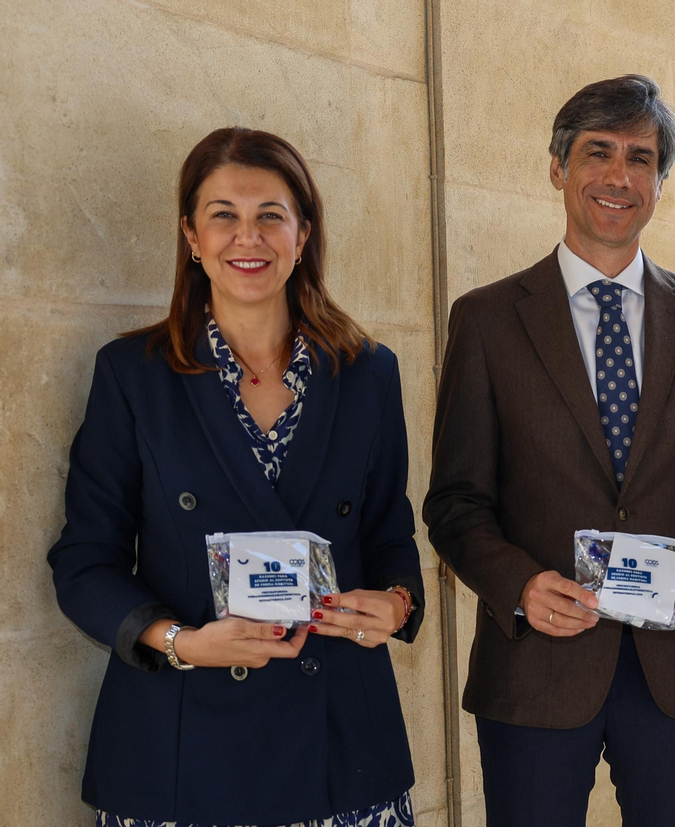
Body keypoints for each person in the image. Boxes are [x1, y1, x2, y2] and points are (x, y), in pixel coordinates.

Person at [47, 127, 425, 826]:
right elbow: (84, 561)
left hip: (340, 752)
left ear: (302, 233)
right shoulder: (133, 377)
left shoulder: (369, 372)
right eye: (223, 214)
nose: (246, 237)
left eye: (269, 216)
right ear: (191, 234)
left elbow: (388, 530)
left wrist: (398, 601)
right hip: (182, 754)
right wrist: (179, 642)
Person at [422, 75, 675, 827]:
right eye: (597, 152)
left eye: (640, 158)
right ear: (558, 167)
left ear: (660, 182)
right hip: (536, 668)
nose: (618, 175)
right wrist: (519, 585)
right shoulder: (485, 321)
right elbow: (454, 501)